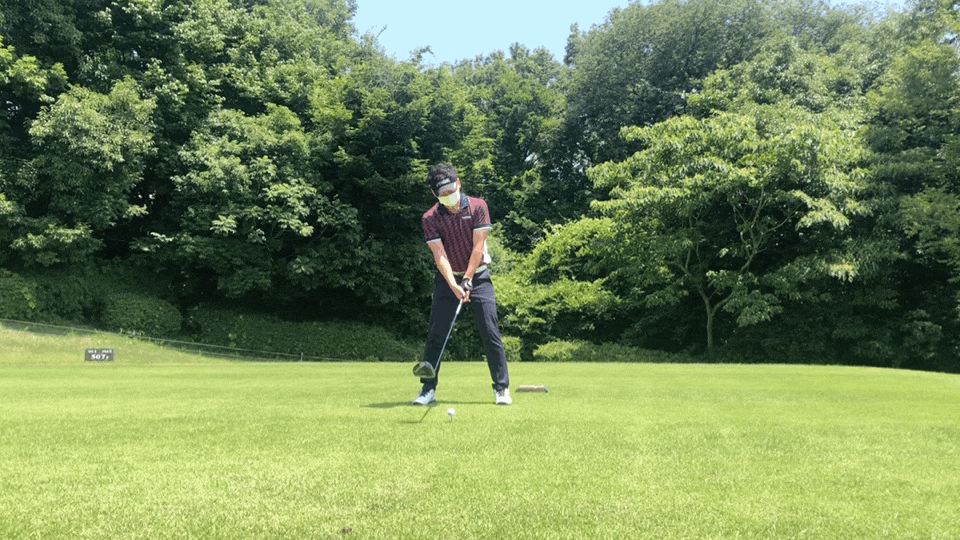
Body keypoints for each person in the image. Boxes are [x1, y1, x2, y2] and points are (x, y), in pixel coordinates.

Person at [412, 164, 511, 406]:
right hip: (447, 280)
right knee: (436, 334)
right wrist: (454, 284)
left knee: (490, 331)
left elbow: (478, 246)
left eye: (451, 189)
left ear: (459, 184)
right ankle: (428, 390)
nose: (449, 196)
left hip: (479, 277)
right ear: (435, 194)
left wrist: (467, 278)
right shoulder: (430, 218)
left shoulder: (478, 206)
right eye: (443, 193)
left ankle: (501, 389)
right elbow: (439, 255)